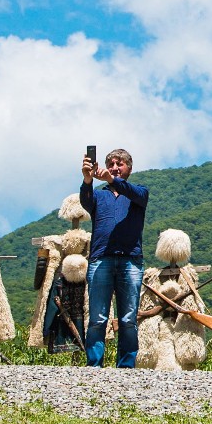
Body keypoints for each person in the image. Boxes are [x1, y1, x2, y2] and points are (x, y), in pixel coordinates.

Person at [79, 147, 149, 368]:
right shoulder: (99, 195)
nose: (115, 168)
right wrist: (87, 179)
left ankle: (126, 366)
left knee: (128, 319)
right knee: (97, 319)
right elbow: (85, 201)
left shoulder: (139, 193)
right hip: (101, 259)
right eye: (111, 164)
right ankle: (94, 366)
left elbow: (136, 194)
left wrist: (112, 180)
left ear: (129, 168)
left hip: (131, 260)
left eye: (120, 164)